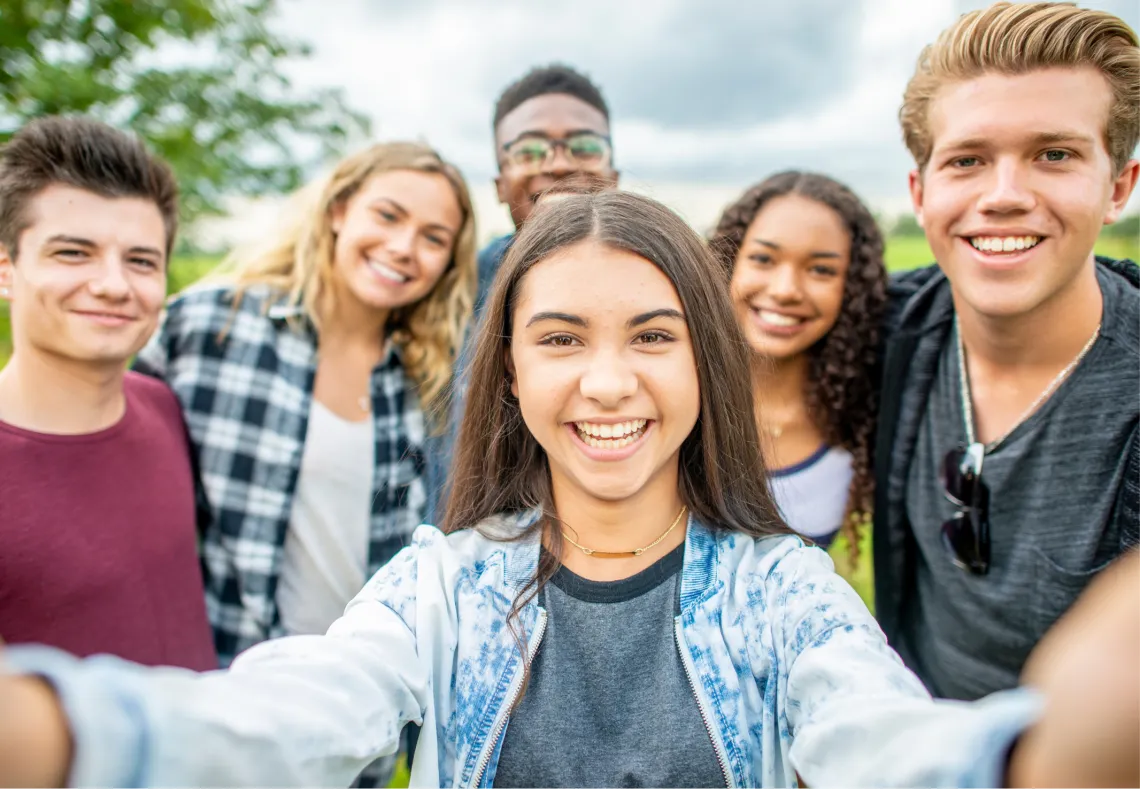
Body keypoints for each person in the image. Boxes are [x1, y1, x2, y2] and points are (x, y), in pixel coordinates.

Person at [4, 190, 1135, 788]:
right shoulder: (440, 586)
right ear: (509, 368)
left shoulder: (782, 594)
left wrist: (1029, 761)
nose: (607, 381)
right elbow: (294, 710)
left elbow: (876, 737)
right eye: (559, 337)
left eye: (653, 334)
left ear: (706, 362)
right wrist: (63, 736)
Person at [875, 0, 1140, 701]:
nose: (1004, 196)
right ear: (921, 191)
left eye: (1054, 155)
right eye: (967, 160)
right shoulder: (883, 327)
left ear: (1118, 186)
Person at [133, 141, 477, 667]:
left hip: (358, 699)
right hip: (221, 681)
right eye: (387, 215)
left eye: (434, 238)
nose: (404, 246)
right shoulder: (209, 327)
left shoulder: (424, 381)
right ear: (339, 210)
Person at [0, 116, 215, 670]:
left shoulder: (165, 407)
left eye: (141, 261)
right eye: (73, 253)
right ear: (6, 270)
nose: (114, 286)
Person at [710, 172, 886, 597]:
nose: (786, 290)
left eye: (821, 269)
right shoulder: (673, 397)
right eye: (764, 260)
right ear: (727, 262)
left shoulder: (863, 416)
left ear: (852, 289)